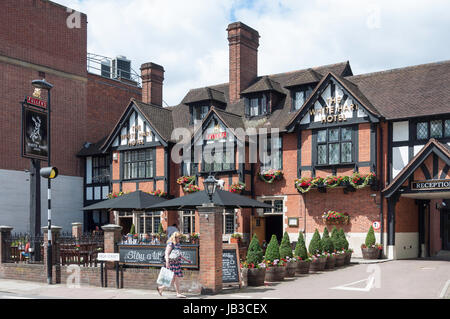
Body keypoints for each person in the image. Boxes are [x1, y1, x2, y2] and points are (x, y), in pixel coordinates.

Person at [157, 231, 191, 298]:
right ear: (175, 237)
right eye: (179, 237)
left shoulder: (178, 244)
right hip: (172, 263)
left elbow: (178, 254)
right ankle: (164, 289)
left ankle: (161, 288)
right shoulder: (170, 244)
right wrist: (167, 262)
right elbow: (166, 254)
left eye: (180, 238)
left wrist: (186, 260)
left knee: (175, 278)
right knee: (173, 278)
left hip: (177, 263)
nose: (179, 239)